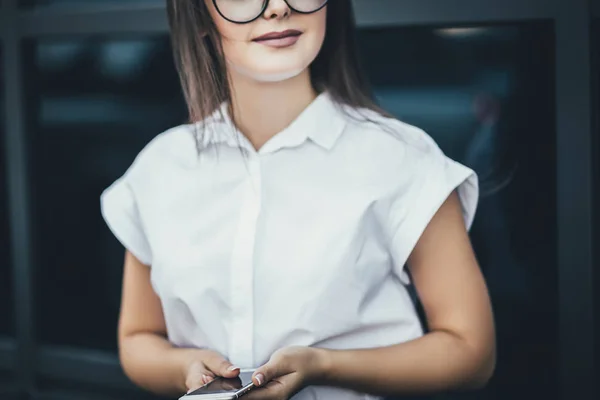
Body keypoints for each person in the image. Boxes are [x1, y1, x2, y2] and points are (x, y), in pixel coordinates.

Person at [100, 1, 496, 399]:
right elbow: (138, 337)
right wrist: (186, 368)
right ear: (200, 16)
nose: (276, 8)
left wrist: (323, 365)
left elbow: (470, 351)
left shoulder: (402, 158)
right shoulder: (161, 168)